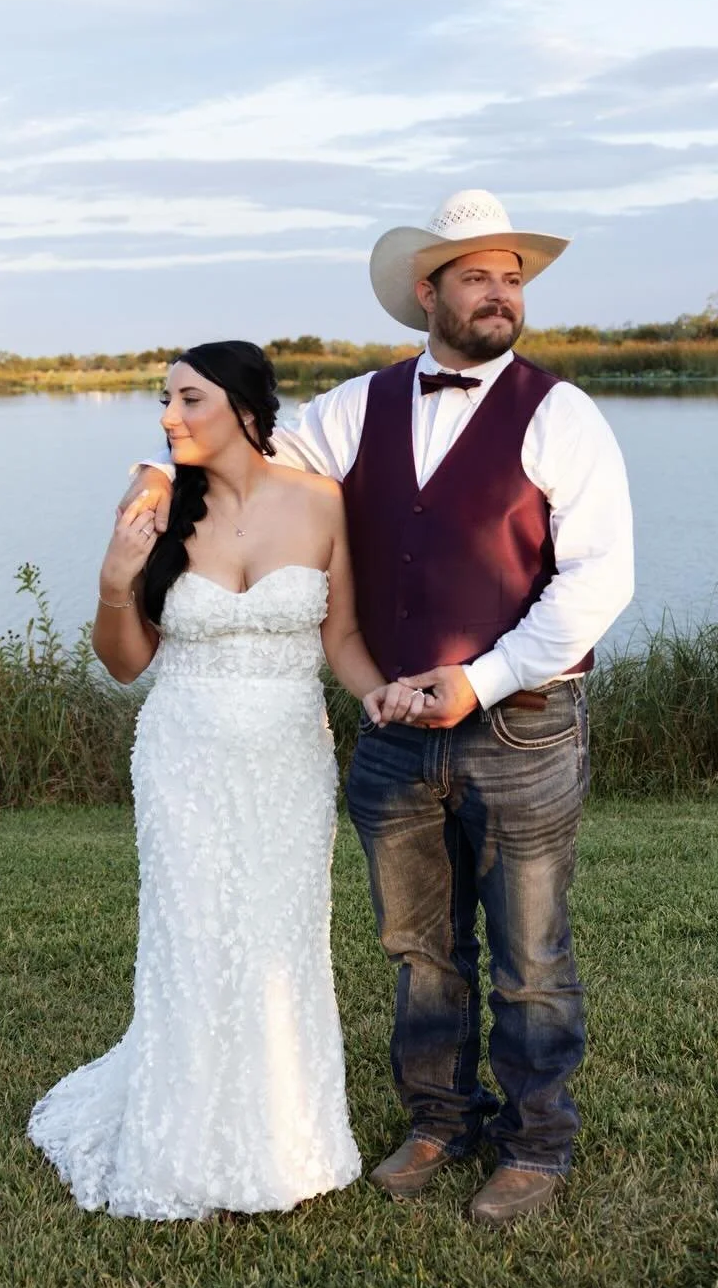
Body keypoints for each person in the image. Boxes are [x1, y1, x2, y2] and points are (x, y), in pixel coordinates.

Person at [123, 191, 634, 1227]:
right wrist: (161, 469)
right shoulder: (357, 407)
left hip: (521, 724)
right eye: (478, 275)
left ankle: (535, 1144)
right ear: (427, 290)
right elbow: (260, 464)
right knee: (417, 946)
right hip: (396, 727)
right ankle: (440, 1118)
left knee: (529, 952)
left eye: (513, 277)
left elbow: (597, 583)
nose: (500, 293)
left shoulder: (562, 413)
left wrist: (480, 680)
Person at [28, 340, 422, 1220]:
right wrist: (114, 583)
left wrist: (380, 693)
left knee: (280, 940)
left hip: (288, 757)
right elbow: (124, 663)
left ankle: (287, 1139)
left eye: (188, 399)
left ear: (247, 407)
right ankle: (180, 1143)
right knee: (195, 935)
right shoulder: (154, 503)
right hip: (183, 757)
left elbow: (344, 640)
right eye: (163, 402)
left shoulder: (323, 504)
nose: (169, 417)